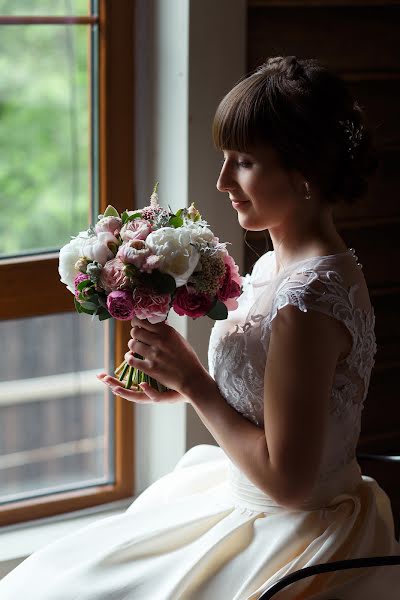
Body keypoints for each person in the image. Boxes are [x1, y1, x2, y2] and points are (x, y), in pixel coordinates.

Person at [1, 55, 399, 599]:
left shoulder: (308, 303)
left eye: (243, 161)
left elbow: (288, 482)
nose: (222, 180)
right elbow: (282, 407)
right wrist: (179, 385)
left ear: (302, 172)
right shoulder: (273, 268)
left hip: (294, 534)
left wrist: (195, 383)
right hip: (244, 497)